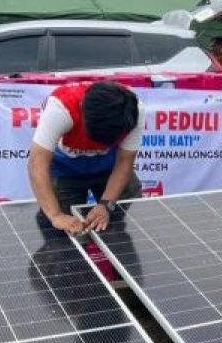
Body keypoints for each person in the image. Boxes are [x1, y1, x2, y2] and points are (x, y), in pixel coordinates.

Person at [28, 81, 143, 235]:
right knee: (63, 231)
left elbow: (124, 162)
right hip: (65, 170)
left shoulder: (132, 110)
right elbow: (37, 163)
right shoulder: (61, 108)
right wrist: (55, 215)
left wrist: (106, 205)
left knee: (131, 219)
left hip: (110, 167)